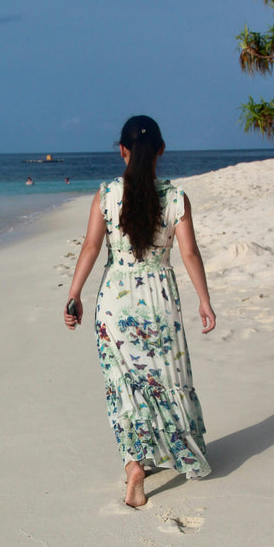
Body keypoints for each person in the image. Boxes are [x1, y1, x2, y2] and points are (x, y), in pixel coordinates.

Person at [63, 115, 215, 508]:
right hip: (159, 300)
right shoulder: (177, 198)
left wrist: (74, 293)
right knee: (165, 378)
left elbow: (91, 247)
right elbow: (189, 253)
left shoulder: (106, 195)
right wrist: (204, 300)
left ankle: (134, 464)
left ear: (122, 150)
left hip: (115, 302)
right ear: (161, 150)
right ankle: (177, 450)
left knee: (123, 383)